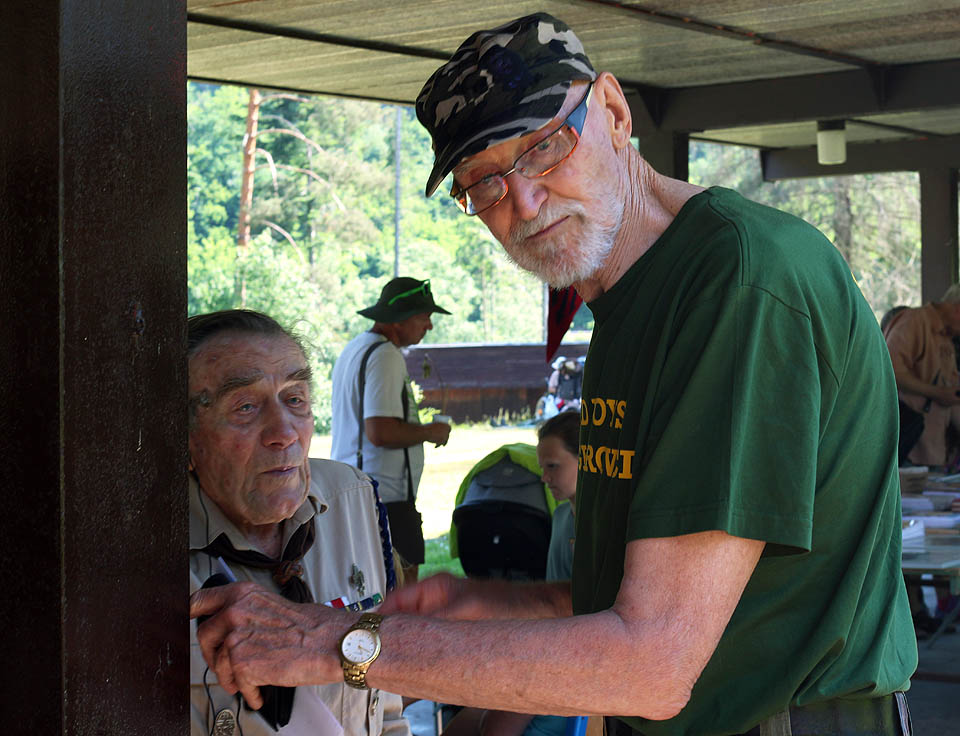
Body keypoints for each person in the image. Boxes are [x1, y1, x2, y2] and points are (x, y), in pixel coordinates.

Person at [191, 14, 917, 735]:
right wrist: (492, 609)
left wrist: (327, 644)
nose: (523, 204)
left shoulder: (734, 286)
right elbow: (667, 600)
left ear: (613, 111)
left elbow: (651, 664)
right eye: (483, 184)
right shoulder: (633, 306)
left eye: (544, 148)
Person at [187, 309, 409, 736]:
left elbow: (387, 709)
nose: (284, 432)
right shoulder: (141, 547)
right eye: (246, 406)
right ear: (186, 436)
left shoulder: (354, 499)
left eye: (295, 399)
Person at [331, 277, 452, 583]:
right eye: (425, 317)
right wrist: (430, 432)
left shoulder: (355, 348)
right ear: (401, 319)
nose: (429, 327)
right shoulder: (385, 355)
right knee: (401, 596)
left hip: (362, 491)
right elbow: (380, 432)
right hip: (386, 498)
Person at [882, 286, 960, 467]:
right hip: (908, 448)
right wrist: (936, 392)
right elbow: (890, 370)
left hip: (932, 449)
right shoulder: (915, 322)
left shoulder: (945, 336)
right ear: (957, 310)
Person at [538, 411, 580, 582]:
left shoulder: (608, 526)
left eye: (552, 466)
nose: (544, 478)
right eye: (543, 468)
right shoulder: (560, 516)